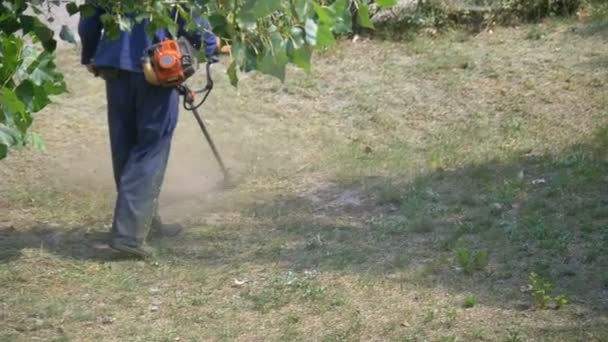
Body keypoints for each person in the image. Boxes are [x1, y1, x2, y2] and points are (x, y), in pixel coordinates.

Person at [78, 6, 218, 258]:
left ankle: (144, 221)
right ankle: (129, 235)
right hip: (155, 63)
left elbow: (89, 18)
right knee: (151, 146)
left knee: (125, 142)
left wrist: (90, 55)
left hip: (115, 65)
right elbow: (191, 16)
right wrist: (211, 46)